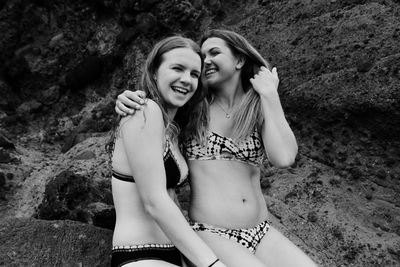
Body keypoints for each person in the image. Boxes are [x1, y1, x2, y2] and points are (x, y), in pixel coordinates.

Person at [115, 29, 318, 267]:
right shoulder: (192, 109)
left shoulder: (255, 108)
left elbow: (284, 158)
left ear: (240, 60)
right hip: (212, 232)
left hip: (261, 231)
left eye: (214, 52)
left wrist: (270, 96)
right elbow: (157, 108)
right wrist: (127, 99)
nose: (206, 60)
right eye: (203, 56)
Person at [108, 36, 226, 267]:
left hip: (174, 255)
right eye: (177, 68)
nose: (186, 80)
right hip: (140, 256)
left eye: (194, 74)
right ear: (154, 72)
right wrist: (212, 264)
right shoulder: (143, 111)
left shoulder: (172, 129)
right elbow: (154, 201)